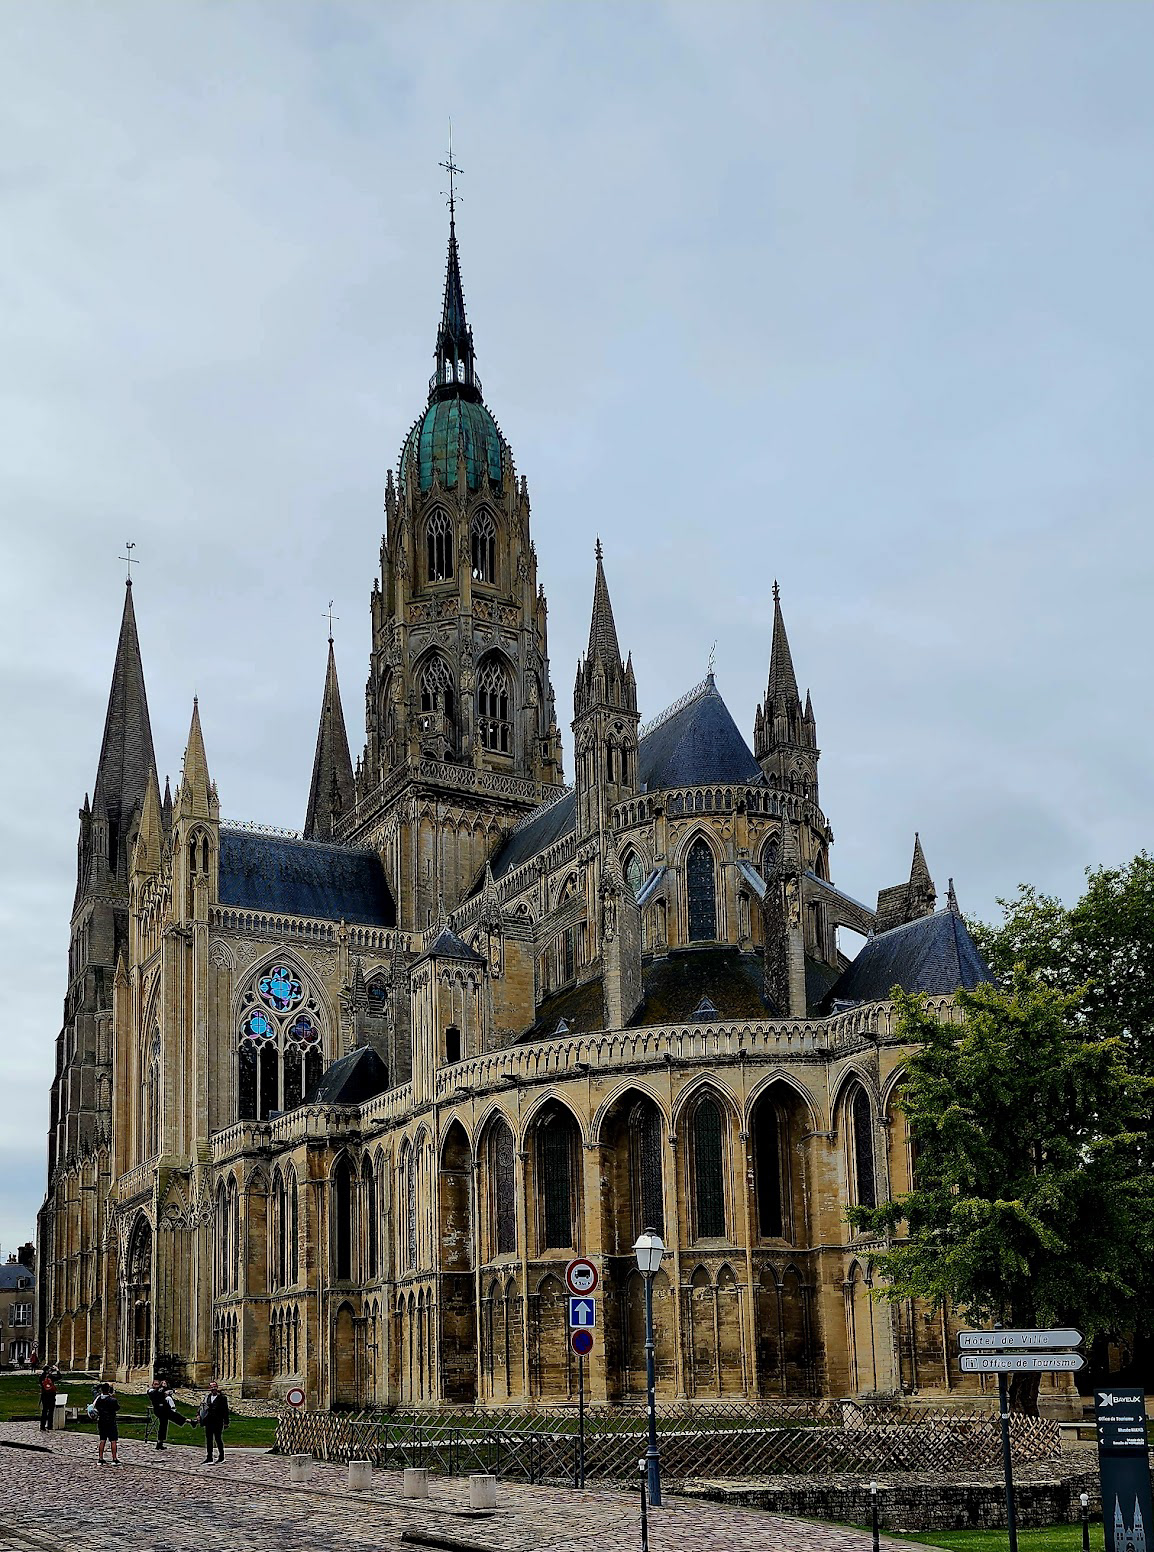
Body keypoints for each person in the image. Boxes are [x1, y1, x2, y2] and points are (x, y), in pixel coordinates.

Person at [147, 1376, 186, 1449]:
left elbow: (167, 1392)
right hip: (159, 1411)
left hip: (164, 1410)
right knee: (172, 1418)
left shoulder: (160, 1391)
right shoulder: (151, 1391)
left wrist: (169, 1390)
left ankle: (159, 1443)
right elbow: (156, 1393)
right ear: (152, 1385)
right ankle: (187, 1421)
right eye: (155, 1384)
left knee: (163, 1425)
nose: (156, 1385)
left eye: (157, 1384)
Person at [197, 1379, 229, 1463]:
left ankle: (221, 1456)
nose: (213, 1388)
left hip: (218, 1421)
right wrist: (198, 1415)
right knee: (209, 1439)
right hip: (208, 1421)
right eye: (211, 1387)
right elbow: (201, 1407)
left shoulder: (222, 1398)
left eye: (214, 1387)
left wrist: (226, 1422)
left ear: (217, 1388)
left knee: (218, 1439)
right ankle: (209, 1456)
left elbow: (225, 1411)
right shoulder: (207, 1397)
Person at [93, 1383, 121, 1465]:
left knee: (102, 1440)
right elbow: (117, 1408)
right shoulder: (112, 1400)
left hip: (101, 1421)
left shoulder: (98, 1399)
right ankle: (114, 1458)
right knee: (113, 1440)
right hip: (111, 1421)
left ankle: (100, 1458)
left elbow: (94, 1389)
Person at [38, 1366, 57, 1432]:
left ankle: (42, 1426)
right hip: (51, 1395)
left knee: (44, 1410)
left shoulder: (41, 1377)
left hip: (44, 1395)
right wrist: (57, 1370)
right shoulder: (50, 1377)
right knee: (51, 1410)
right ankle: (49, 1425)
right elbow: (59, 1377)